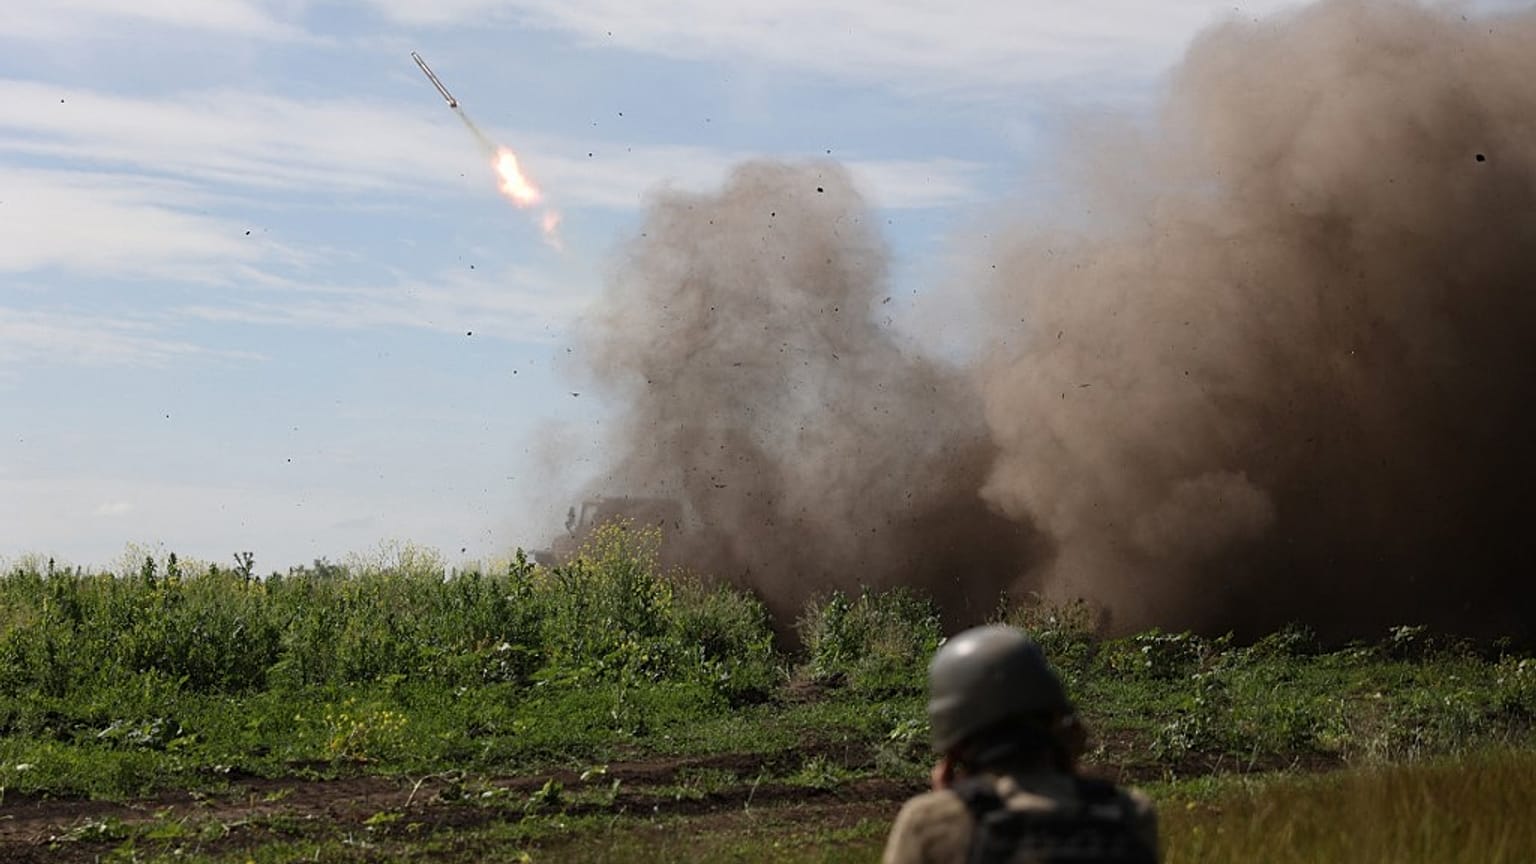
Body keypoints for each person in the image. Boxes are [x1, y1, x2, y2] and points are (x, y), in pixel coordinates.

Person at [883, 624, 1159, 864]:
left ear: (955, 744)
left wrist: (949, 803)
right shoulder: (1130, 813)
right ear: (1056, 722)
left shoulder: (928, 824)